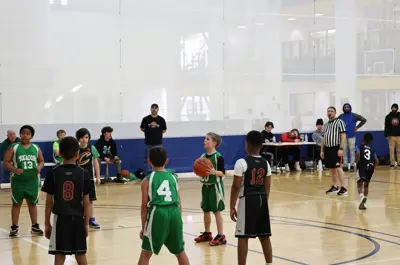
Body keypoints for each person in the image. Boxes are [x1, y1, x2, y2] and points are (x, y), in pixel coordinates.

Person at [42, 136, 90, 265]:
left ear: (60, 153)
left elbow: (48, 203)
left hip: (61, 219)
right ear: (77, 153)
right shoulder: (84, 173)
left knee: (59, 255)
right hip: (78, 218)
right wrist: (86, 223)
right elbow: (87, 202)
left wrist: (47, 223)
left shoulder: (52, 173)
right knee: (80, 254)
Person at [138, 146, 190, 265]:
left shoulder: (147, 180)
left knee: (146, 253)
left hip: (158, 213)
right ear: (166, 161)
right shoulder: (173, 178)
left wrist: (144, 227)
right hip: (175, 213)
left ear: (149, 161)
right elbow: (179, 202)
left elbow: (144, 206)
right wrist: (178, 221)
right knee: (180, 252)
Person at [230, 130, 273, 265]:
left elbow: (236, 186)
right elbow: (268, 184)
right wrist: (264, 200)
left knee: (243, 236)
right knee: (264, 235)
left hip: (248, 200)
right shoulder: (266, 163)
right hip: (262, 199)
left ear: (246, 144)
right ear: (261, 145)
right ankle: (269, 263)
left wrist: (232, 206)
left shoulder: (241, 162)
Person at [4, 125, 44, 237]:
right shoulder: (14, 147)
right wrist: (15, 170)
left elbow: (41, 161)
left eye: (27, 134)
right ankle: (14, 227)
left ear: (31, 136)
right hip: (18, 180)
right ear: (20, 134)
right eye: (23, 133)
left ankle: (35, 226)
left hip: (32, 180)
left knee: (32, 203)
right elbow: (6, 162)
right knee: (17, 203)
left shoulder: (36, 148)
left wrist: (39, 167)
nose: (25, 135)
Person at [194, 132, 227, 246]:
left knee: (216, 211)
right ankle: (207, 233)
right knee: (205, 210)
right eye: (205, 139)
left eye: (207, 139)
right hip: (205, 186)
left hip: (215, 187)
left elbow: (223, 173)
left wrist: (214, 172)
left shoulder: (218, 157)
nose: (205, 141)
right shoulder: (202, 157)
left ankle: (221, 235)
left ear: (214, 143)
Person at [76, 128, 101, 229]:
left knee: (91, 200)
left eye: (86, 137)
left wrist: (98, 177)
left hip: (89, 178)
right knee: (78, 200)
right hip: (78, 178)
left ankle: (91, 219)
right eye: (82, 137)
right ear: (78, 138)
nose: (84, 139)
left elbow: (96, 163)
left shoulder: (92, 148)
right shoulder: (75, 149)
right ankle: (79, 218)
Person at [321, 106, 348, 196]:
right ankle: (335, 186)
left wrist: (341, 148)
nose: (329, 112)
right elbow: (323, 138)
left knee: (338, 168)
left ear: (335, 112)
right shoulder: (326, 124)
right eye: (328, 111)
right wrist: (322, 150)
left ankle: (344, 188)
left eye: (331, 111)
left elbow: (343, 136)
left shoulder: (340, 122)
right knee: (331, 168)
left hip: (336, 148)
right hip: (327, 148)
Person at [338, 103, 367, 172]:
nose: (346, 108)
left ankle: (351, 165)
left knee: (351, 151)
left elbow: (364, 120)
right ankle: (345, 165)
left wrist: (357, 127)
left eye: (347, 107)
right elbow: (336, 123)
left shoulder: (354, 115)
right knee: (344, 151)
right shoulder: (341, 116)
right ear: (343, 108)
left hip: (352, 136)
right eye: (345, 107)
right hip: (343, 136)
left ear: (350, 108)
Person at [140, 103, 167, 175]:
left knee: (160, 158)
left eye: (155, 108)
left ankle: (159, 173)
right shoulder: (145, 119)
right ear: (151, 109)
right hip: (148, 143)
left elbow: (164, 130)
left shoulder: (161, 120)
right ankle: (147, 175)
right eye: (153, 108)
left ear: (158, 110)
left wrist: (157, 134)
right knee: (148, 159)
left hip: (158, 143)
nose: (154, 109)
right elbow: (142, 128)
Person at [355, 133, 379, 210]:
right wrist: (373, 168)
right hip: (370, 167)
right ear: (371, 141)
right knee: (366, 185)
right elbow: (377, 160)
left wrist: (356, 163)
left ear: (363, 138)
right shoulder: (372, 150)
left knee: (359, 184)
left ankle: (362, 197)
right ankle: (363, 203)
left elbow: (358, 153)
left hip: (362, 166)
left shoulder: (359, 146)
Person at [384, 103, 400, 167]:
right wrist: (386, 135)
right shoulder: (388, 116)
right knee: (391, 150)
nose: (394, 109)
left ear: (397, 108)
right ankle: (392, 163)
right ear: (391, 108)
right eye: (393, 108)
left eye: (395, 108)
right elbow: (386, 126)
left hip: (399, 136)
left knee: (399, 150)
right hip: (391, 136)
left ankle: (399, 162)